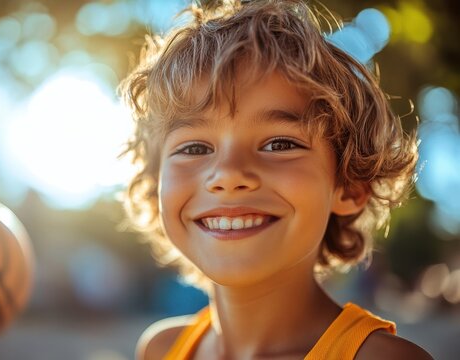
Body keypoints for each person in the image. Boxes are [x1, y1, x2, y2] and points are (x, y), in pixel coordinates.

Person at [120, 0, 433, 358]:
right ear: (156, 181)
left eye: (279, 144)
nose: (228, 174)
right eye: (193, 148)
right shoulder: (162, 349)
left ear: (349, 186)